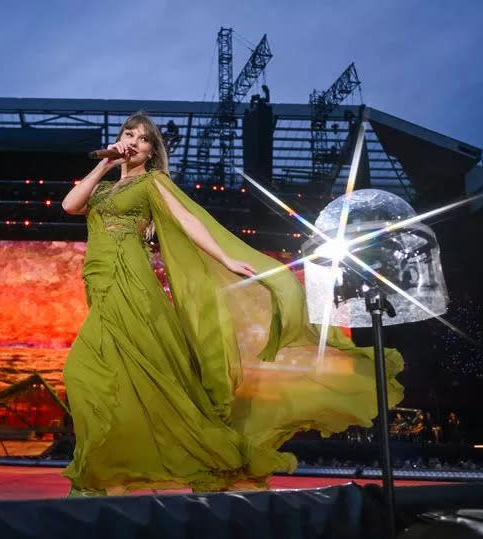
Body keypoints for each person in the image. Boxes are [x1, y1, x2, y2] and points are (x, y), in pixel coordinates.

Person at [60, 112, 403, 496]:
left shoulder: (153, 182)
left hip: (129, 281)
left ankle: (110, 466)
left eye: (142, 139)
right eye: (128, 134)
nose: (133, 142)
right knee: (129, 376)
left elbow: (188, 222)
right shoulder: (104, 190)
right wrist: (107, 162)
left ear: (152, 152)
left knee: (80, 371)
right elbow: (70, 205)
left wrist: (224, 259)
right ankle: (123, 462)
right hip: (100, 280)